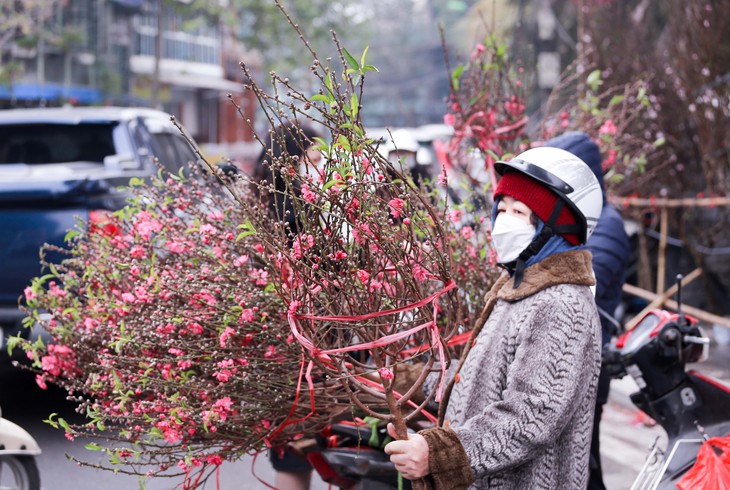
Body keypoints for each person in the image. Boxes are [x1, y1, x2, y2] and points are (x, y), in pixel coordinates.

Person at [384, 146, 604, 489]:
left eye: (519, 211)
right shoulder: (517, 289)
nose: (504, 221)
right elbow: (483, 380)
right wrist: (405, 380)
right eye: (502, 209)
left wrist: (438, 455)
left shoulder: (562, 303)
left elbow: (532, 415)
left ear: (555, 228)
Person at [546, 131, 631, 490]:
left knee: (583, 464)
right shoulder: (582, 223)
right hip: (572, 359)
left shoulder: (606, 228)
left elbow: (583, 292)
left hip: (587, 364)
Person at [253, 120, 322, 490]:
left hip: (280, 343)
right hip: (314, 339)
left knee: (290, 452)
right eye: (314, 151)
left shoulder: (259, 199)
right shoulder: (299, 205)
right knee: (331, 439)